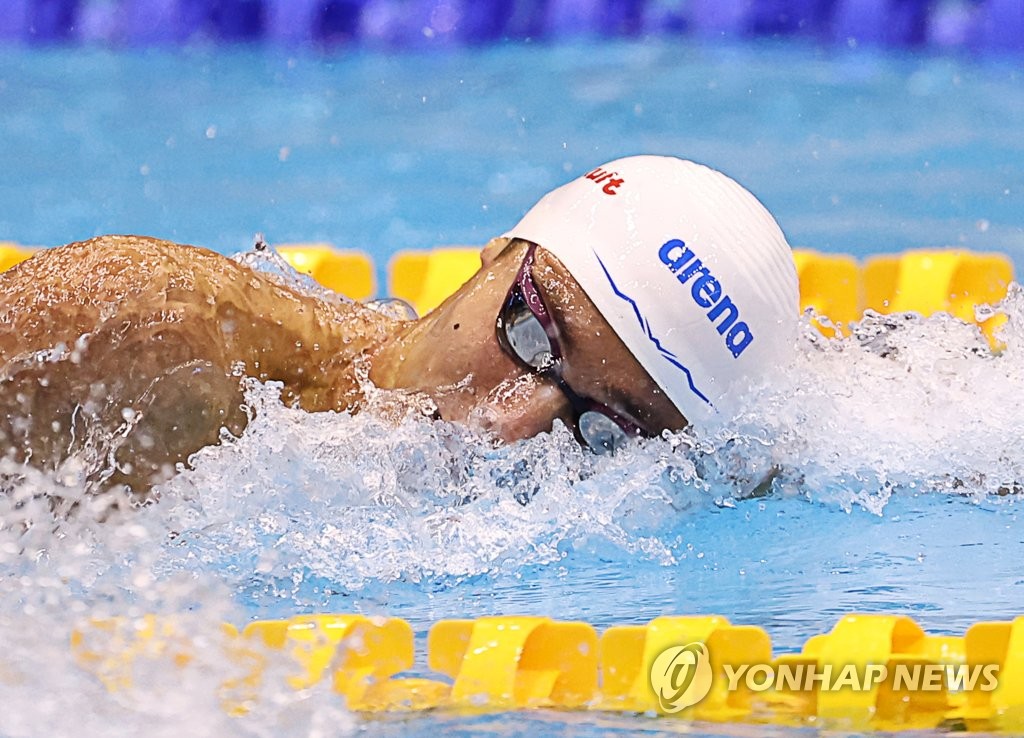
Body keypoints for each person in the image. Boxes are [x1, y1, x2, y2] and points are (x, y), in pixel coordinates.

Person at [0, 155, 798, 505]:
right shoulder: (150, 330)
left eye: (604, 429)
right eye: (530, 338)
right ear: (492, 258)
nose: (513, 423)